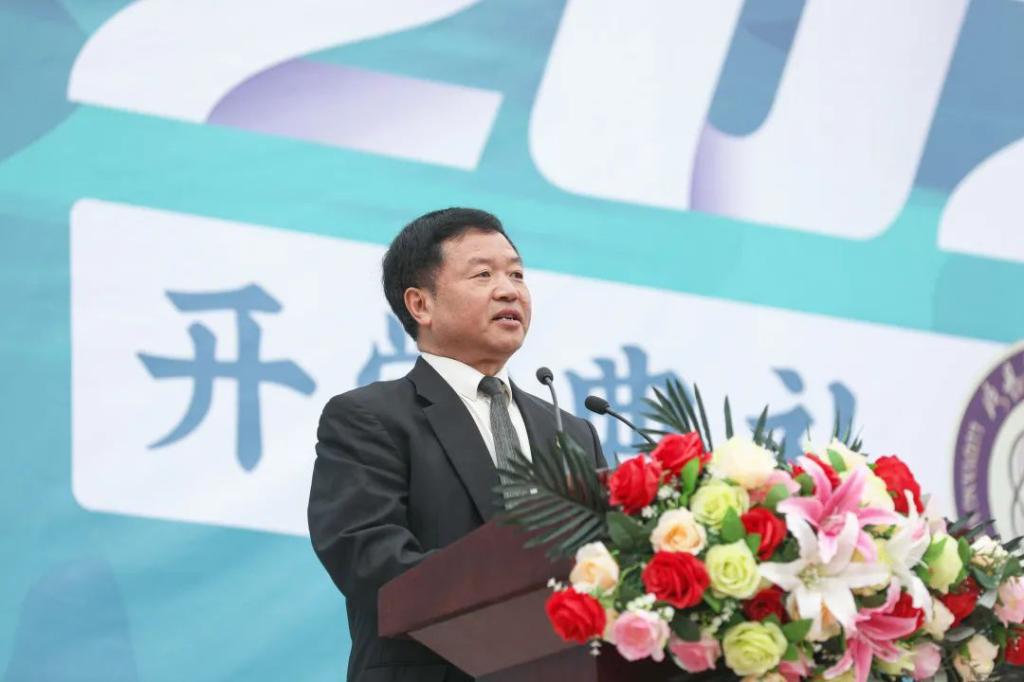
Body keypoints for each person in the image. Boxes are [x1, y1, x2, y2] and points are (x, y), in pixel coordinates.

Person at [307, 208, 606, 681]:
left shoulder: (571, 432)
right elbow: (371, 562)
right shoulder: (369, 418)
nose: (509, 290)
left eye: (517, 274)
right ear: (420, 305)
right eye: (483, 275)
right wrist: (524, 612)